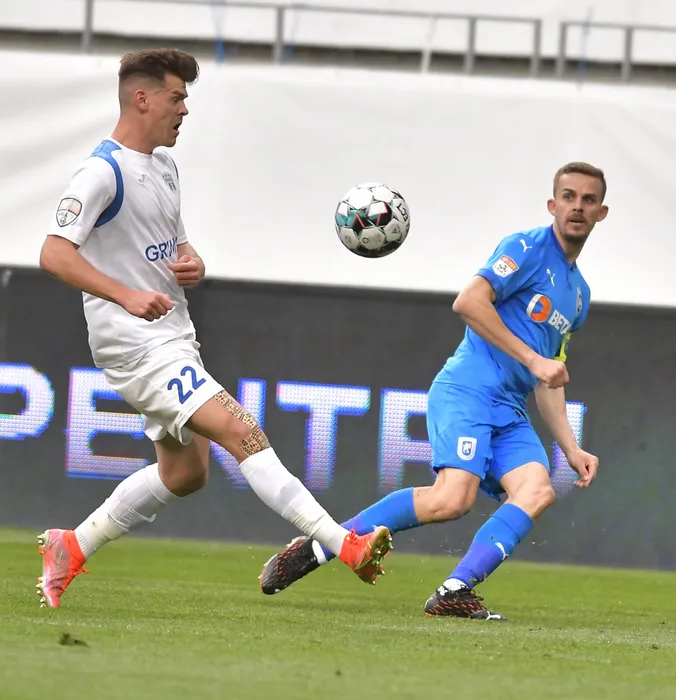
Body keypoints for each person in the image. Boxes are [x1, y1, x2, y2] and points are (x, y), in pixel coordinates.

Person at [34, 48, 392, 609]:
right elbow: (54, 254)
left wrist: (191, 262)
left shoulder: (164, 167)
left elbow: (176, 244)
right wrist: (126, 294)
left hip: (173, 336)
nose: (184, 110)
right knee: (242, 430)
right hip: (136, 346)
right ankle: (344, 544)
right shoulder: (101, 173)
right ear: (142, 98)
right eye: (176, 98)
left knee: (184, 474)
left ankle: (72, 545)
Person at [259, 162, 606, 621]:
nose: (577, 207)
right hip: (469, 390)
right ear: (552, 204)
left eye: (587, 199)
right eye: (568, 196)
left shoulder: (579, 295)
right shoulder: (525, 248)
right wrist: (533, 359)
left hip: (509, 411)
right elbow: (469, 301)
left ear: (601, 213)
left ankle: (454, 591)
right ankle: (323, 545)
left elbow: (550, 378)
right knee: (452, 499)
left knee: (538, 490)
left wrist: (571, 447)